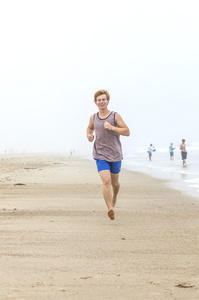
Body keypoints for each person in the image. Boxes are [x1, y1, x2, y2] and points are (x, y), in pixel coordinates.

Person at [86, 89, 130, 220]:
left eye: (103, 99)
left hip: (115, 154)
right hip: (100, 154)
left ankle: (115, 195)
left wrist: (112, 128)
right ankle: (110, 208)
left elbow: (127, 131)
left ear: (108, 101)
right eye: (99, 100)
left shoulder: (115, 116)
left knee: (115, 184)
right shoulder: (93, 117)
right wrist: (89, 135)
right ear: (95, 102)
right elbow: (89, 127)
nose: (101, 102)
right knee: (106, 181)